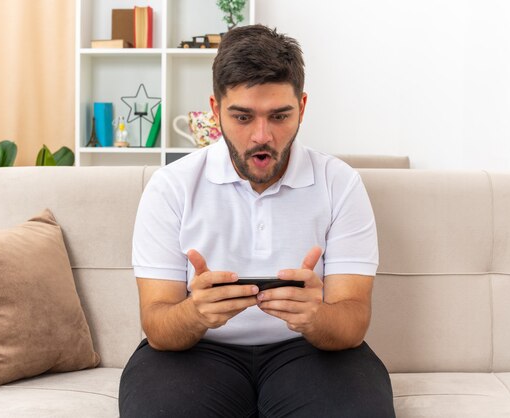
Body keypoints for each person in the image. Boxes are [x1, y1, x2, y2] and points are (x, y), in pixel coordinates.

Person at [119, 24, 395, 418]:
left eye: (279, 115)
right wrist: (195, 313)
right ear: (215, 111)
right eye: (243, 117)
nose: (261, 136)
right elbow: (158, 325)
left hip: (310, 352)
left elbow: (352, 322)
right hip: (196, 353)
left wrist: (318, 317)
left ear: (302, 107)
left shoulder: (341, 183)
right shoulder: (171, 187)